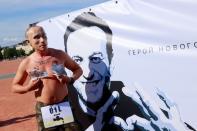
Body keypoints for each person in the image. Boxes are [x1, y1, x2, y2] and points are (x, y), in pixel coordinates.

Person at [64, 12, 196, 131]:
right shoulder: (59, 101)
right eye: (77, 60)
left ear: (112, 63)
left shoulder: (144, 111)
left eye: (96, 59)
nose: (87, 73)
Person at [12, 25, 83, 131]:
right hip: (44, 109)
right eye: (37, 37)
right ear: (28, 42)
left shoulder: (59, 55)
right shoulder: (27, 63)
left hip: (64, 104)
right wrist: (28, 88)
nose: (42, 40)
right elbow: (14, 87)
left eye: (44, 36)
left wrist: (70, 79)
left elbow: (78, 70)